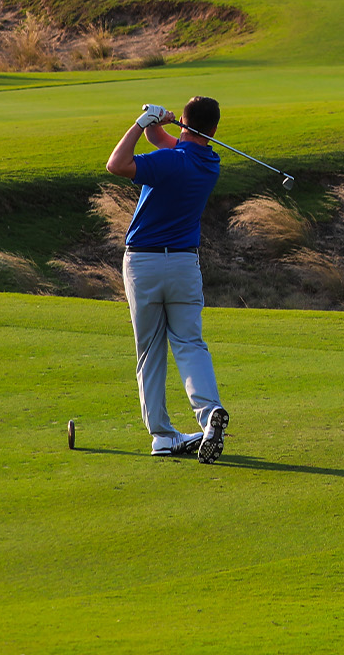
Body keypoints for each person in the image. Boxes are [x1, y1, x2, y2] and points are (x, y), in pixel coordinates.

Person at [105, 97, 229, 462]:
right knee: (190, 343)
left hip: (143, 264)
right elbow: (165, 143)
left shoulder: (168, 162)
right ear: (215, 131)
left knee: (150, 351)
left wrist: (142, 122)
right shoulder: (209, 162)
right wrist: (157, 123)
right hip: (184, 267)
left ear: (185, 123)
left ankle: (161, 435)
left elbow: (116, 164)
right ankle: (209, 416)